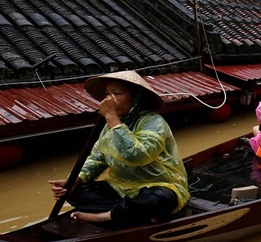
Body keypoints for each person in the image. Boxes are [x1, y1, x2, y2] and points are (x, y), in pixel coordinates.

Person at [49, 70, 189, 225]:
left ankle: (106, 216)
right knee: (74, 192)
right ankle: (134, 212)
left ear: (136, 98)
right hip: (120, 188)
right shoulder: (109, 126)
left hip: (157, 185)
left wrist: (112, 118)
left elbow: (136, 156)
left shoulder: (153, 122)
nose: (109, 99)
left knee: (160, 198)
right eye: (107, 93)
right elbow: (97, 158)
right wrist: (76, 180)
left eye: (116, 93)